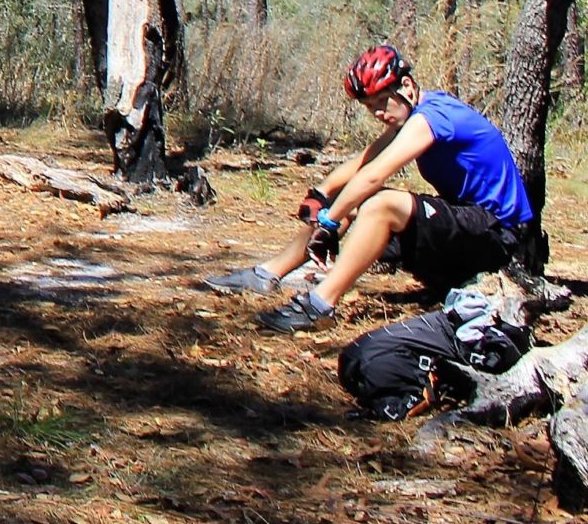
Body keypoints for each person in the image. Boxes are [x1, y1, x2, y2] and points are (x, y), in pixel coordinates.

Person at [202, 45, 536, 332]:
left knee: (379, 203)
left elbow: (375, 176)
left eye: (381, 102)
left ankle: (318, 306)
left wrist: (331, 221)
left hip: (501, 239)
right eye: (369, 107)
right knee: (350, 200)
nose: (377, 113)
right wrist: (322, 192)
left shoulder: (434, 116)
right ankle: (266, 274)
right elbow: (365, 161)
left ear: (406, 86)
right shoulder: (411, 115)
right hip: (468, 230)